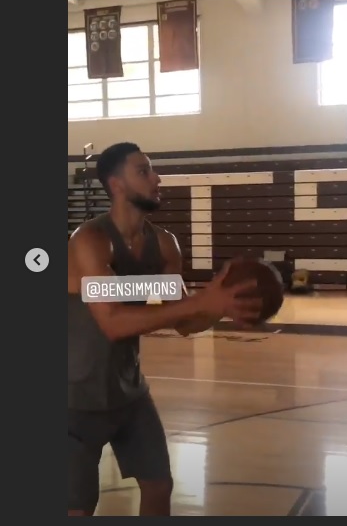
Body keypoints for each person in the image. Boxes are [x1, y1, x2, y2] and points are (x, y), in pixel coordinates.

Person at [68, 142, 262, 516]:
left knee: (159, 485)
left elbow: (185, 321)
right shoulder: (89, 241)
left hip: (128, 391)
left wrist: (222, 306)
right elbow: (113, 322)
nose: (157, 178)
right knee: (77, 508)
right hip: (72, 396)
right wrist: (200, 301)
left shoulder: (164, 244)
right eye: (143, 171)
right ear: (116, 184)